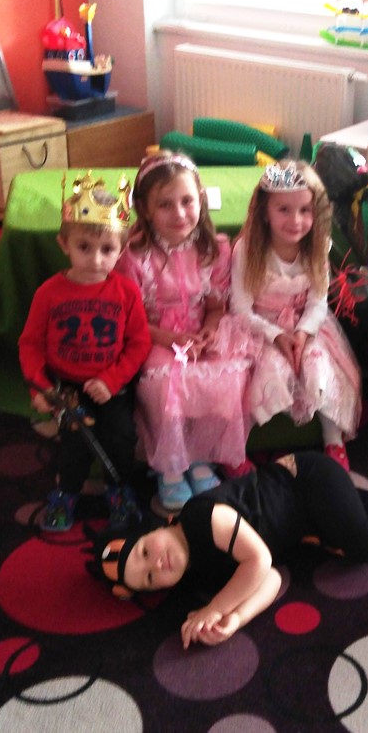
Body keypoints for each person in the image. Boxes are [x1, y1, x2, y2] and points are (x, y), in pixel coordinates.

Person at [88, 451, 368, 647]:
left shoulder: (199, 516)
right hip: (306, 520)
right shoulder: (198, 574)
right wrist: (235, 619)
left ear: (154, 528)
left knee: (366, 544)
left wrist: (215, 607)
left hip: (307, 478)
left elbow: (259, 559)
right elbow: (270, 579)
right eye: (150, 578)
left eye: (144, 553)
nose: (157, 564)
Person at [115, 151, 256, 515]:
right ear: (145, 210)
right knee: (168, 384)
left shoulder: (214, 249)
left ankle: (200, 456)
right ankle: (171, 467)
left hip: (197, 335)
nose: (179, 214)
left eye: (187, 201)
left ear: (201, 200)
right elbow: (129, 318)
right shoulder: (134, 257)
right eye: (165, 205)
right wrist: (167, 339)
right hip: (154, 337)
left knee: (227, 377)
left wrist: (208, 331)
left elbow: (215, 306)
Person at [19, 172, 152, 531]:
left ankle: (119, 491)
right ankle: (67, 492)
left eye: (107, 250)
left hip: (112, 387)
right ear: (63, 244)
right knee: (73, 444)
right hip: (65, 388)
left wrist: (112, 380)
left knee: (121, 438)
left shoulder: (126, 292)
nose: (95, 260)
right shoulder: (48, 293)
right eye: (84, 247)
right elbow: (30, 344)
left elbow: (139, 342)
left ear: (122, 248)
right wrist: (39, 387)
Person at [231, 161, 362, 471]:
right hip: (260, 328)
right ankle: (234, 447)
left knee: (319, 366)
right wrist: (276, 336)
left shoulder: (317, 247)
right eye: (284, 210)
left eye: (305, 210)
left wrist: (302, 334)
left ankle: (333, 439)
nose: (296, 220)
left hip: (305, 325)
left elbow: (318, 301)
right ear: (265, 212)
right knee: (269, 372)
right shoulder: (247, 250)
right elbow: (240, 308)